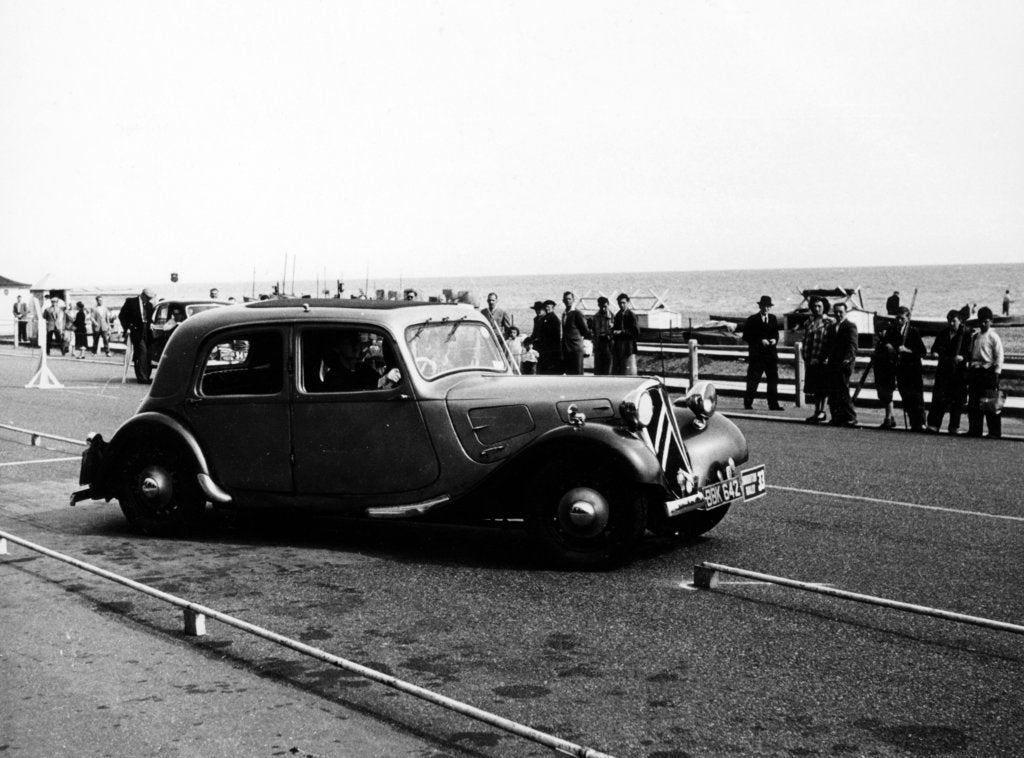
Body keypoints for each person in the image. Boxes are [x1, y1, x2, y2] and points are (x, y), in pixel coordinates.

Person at [876, 306, 926, 431]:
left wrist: (907, 350)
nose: (899, 321)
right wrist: (888, 345)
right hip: (900, 370)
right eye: (897, 318)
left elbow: (922, 351)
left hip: (913, 370)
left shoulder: (913, 331)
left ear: (907, 318)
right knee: (906, 397)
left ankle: (919, 423)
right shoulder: (892, 330)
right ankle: (913, 423)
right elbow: (885, 342)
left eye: (902, 318)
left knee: (916, 398)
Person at [926, 309, 970, 434]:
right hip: (944, 370)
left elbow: (969, 353)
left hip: (958, 372)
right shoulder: (943, 333)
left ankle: (954, 427)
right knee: (939, 399)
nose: (951, 323)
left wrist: (963, 358)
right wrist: (934, 353)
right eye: (949, 321)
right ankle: (934, 424)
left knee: (957, 401)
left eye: (954, 321)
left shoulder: (966, 334)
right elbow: (935, 347)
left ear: (960, 321)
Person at [965, 306, 1004, 438]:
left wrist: (997, 373)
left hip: (988, 371)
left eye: (986, 321)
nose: (983, 324)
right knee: (974, 403)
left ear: (991, 322)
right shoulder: (975, 336)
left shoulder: (993, 337)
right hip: (976, 371)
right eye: (981, 321)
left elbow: (999, 356)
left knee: (990, 403)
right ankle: (975, 430)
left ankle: (994, 432)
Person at [742, 295, 784, 410]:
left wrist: (775, 340)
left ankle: (773, 404)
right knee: (753, 380)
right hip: (757, 356)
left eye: (768, 306)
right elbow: (746, 336)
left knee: (773, 381)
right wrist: (760, 341)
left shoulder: (773, 318)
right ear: (760, 306)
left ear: (770, 307)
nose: (766, 308)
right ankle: (748, 403)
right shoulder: (752, 319)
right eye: (764, 306)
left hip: (771, 356)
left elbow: (776, 334)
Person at [824, 302, 858, 427]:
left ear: (846, 312)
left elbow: (852, 345)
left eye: (840, 312)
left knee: (843, 390)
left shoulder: (850, 326)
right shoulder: (832, 327)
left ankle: (850, 417)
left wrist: (848, 358)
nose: (838, 314)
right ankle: (836, 417)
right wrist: (821, 357)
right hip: (833, 363)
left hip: (844, 364)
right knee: (833, 391)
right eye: (836, 312)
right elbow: (827, 346)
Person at [800, 296, 833, 422]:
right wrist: (806, 356)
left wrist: (823, 357)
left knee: (823, 387)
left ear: (824, 307)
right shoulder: (809, 322)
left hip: (823, 360)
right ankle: (816, 411)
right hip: (811, 359)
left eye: (819, 306)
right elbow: (805, 340)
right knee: (814, 388)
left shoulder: (829, 322)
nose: (817, 308)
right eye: (814, 306)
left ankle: (822, 411)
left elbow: (829, 342)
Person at [119, 288, 156, 383]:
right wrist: (127, 327)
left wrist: (151, 323)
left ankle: (145, 375)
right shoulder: (131, 302)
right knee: (142, 351)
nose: (149, 300)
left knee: (147, 353)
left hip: (146, 331)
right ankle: (143, 378)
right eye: (147, 298)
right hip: (135, 330)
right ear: (142, 295)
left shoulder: (149, 305)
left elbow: (149, 318)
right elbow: (122, 315)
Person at [560, 291, 591, 375]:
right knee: (569, 373)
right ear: (563, 300)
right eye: (565, 299)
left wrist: (577, 339)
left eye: (569, 299)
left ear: (573, 300)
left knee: (577, 373)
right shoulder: (564, 314)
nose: (567, 301)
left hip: (576, 348)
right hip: (567, 349)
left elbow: (585, 330)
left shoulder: (577, 313)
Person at [611, 293, 639, 376]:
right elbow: (615, 329)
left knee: (629, 372)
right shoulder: (617, 315)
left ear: (628, 302)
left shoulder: (631, 316)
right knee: (619, 372)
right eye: (620, 303)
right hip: (618, 349)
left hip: (628, 349)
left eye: (623, 303)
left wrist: (622, 332)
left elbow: (636, 332)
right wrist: (612, 330)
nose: (621, 305)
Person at [533, 300, 562, 375]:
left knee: (550, 370)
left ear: (553, 308)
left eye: (549, 307)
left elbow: (555, 337)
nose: (547, 308)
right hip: (544, 348)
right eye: (546, 307)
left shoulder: (554, 319)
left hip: (551, 350)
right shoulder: (545, 318)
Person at [591, 296, 614, 375]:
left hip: (608, 344)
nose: (603, 309)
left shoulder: (612, 317)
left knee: (607, 368)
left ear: (608, 305)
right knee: (598, 368)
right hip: (599, 344)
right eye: (601, 307)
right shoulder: (595, 317)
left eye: (605, 307)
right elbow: (593, 331)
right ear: (598, 306)